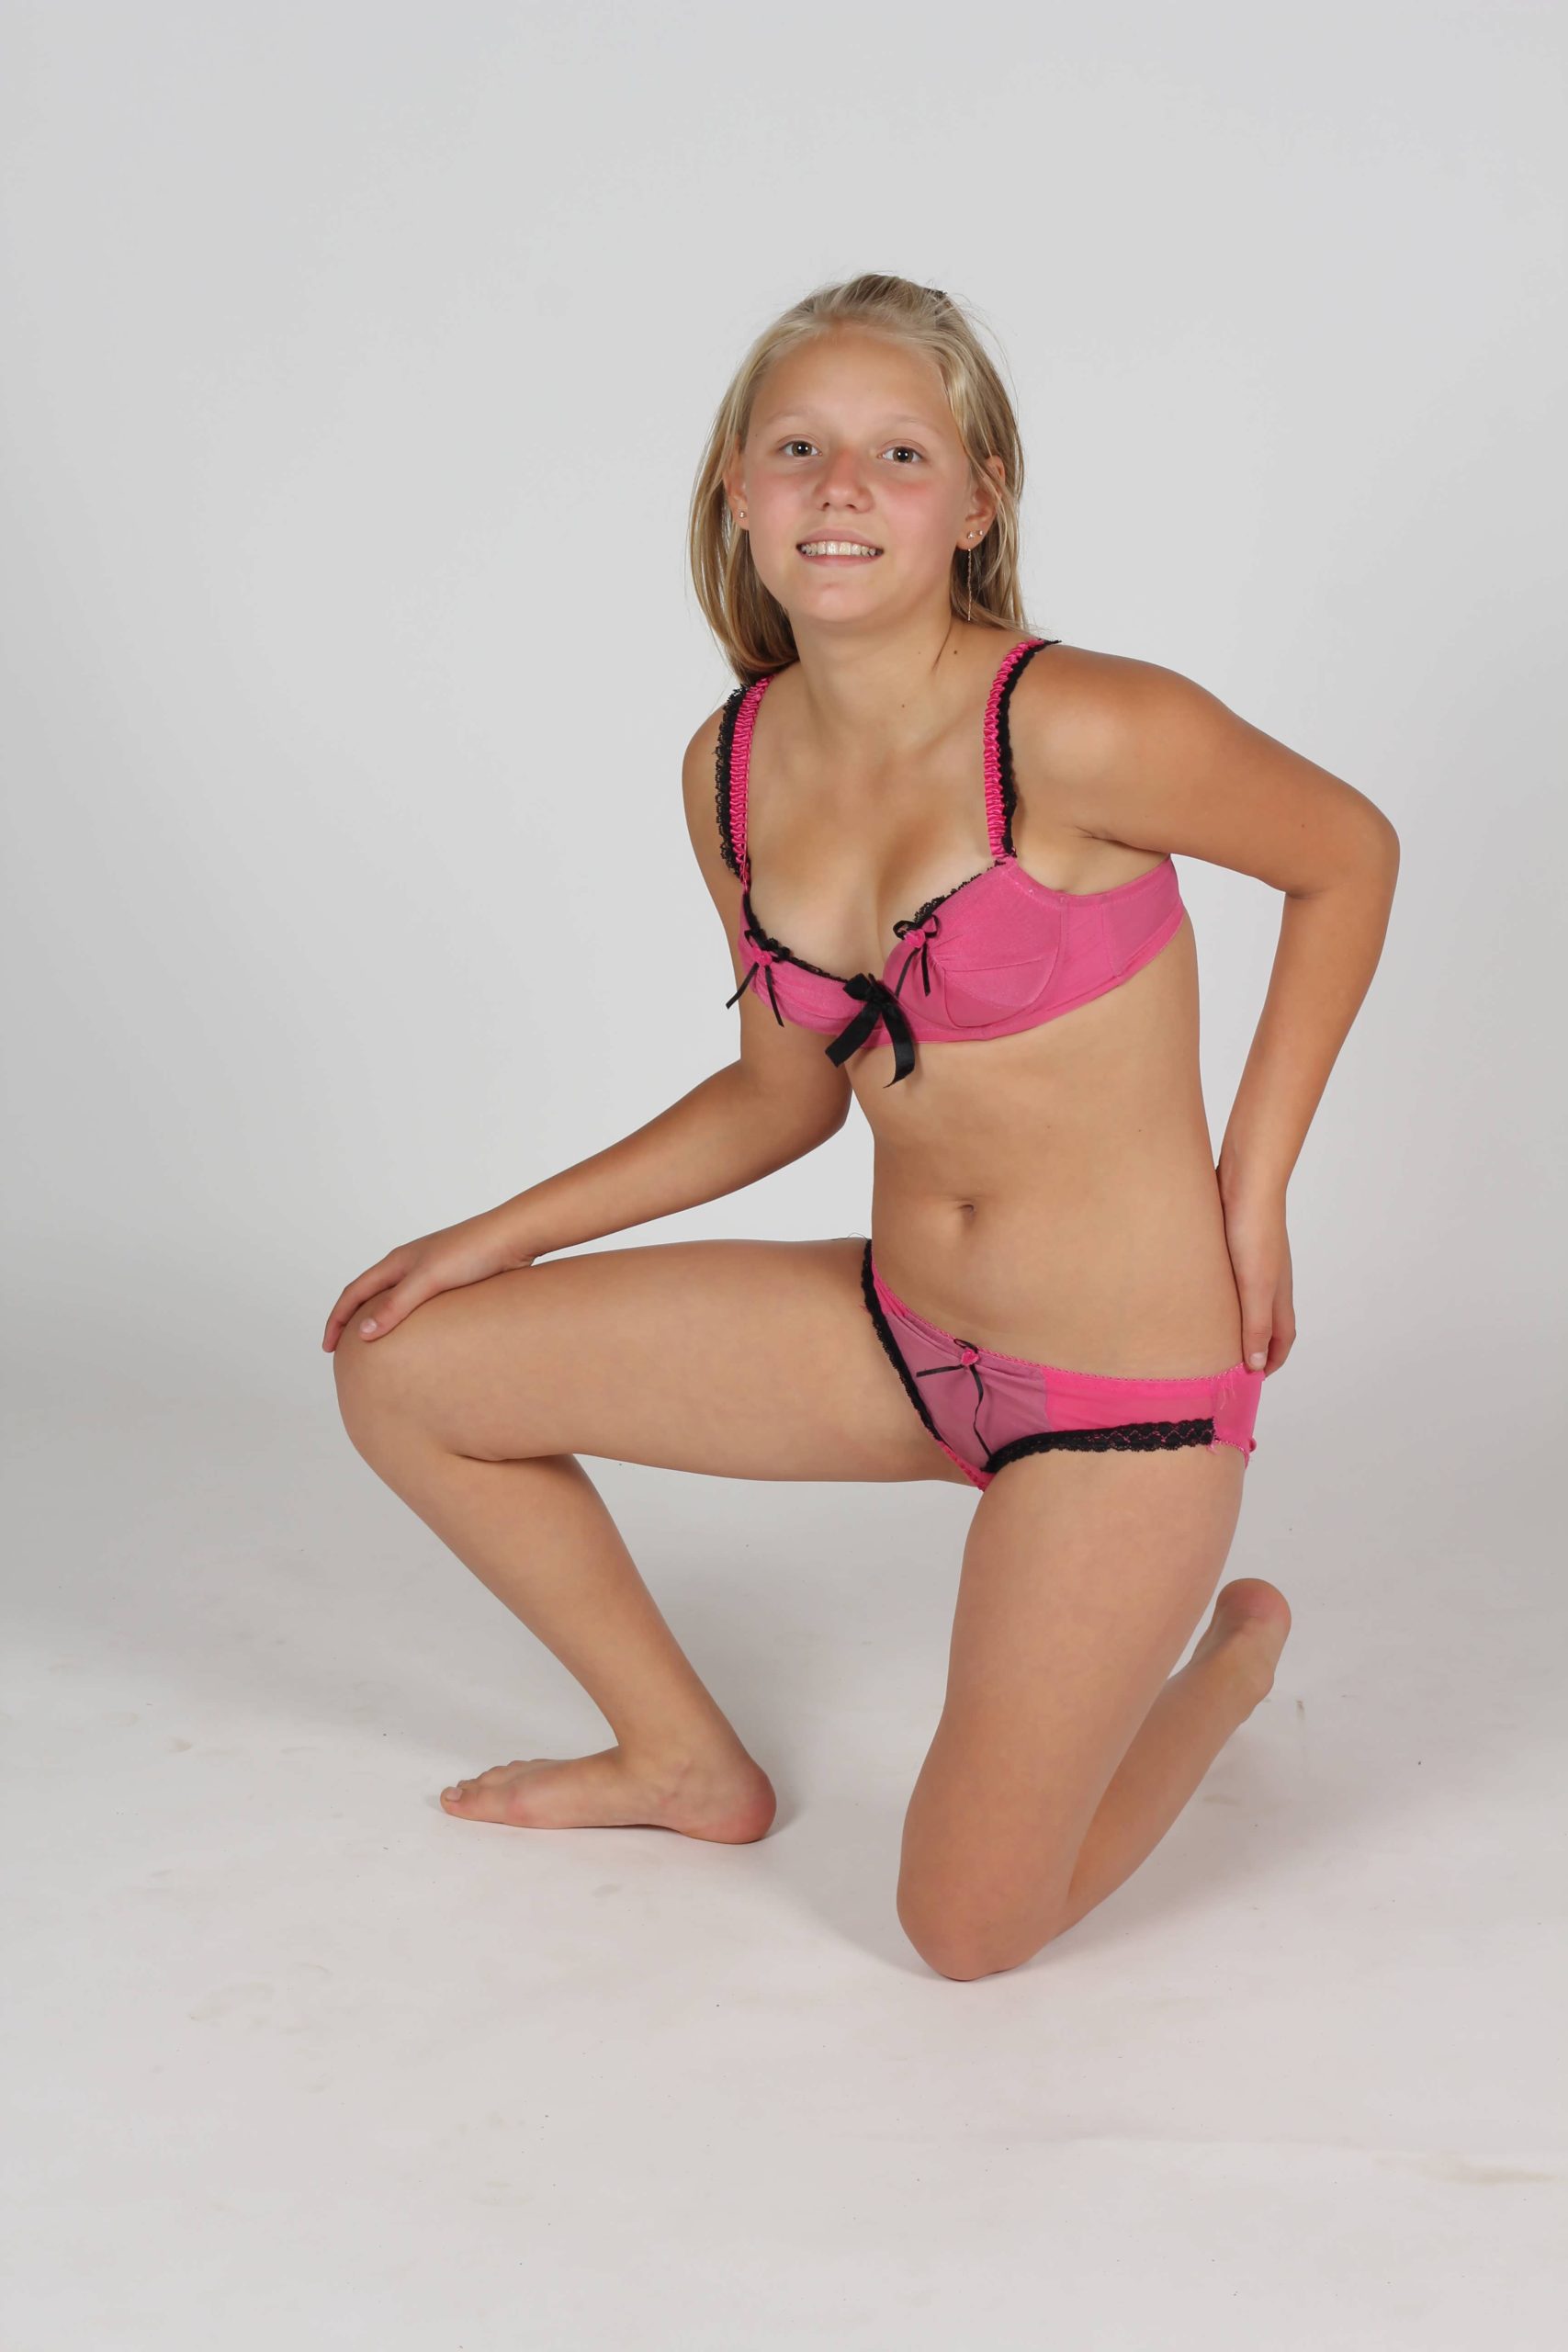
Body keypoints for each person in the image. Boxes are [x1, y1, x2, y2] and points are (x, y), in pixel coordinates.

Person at [323, 273, 1399, 1982]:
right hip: (900, 1339)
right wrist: (486, 1241)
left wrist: (1253, 1187)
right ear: (736, 492)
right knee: (405, 1368)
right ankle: (683, 1762)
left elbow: (1350, 856)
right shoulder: (731, 764)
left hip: (1121, 1399)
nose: (842, 487)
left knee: (965, 1933)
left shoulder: (1082, 723)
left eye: (900, 453)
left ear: (975, 503)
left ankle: (1225, 1669)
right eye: (798, 448)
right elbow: (781, 1093)